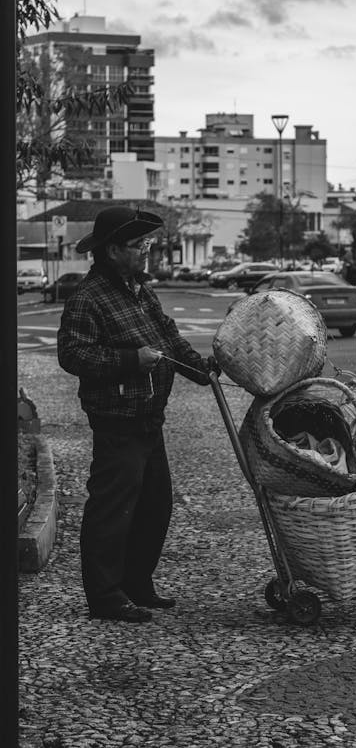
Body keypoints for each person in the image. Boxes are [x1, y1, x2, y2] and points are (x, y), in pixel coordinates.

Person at [58, 205, 218, 623]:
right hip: (117, 421)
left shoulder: (140, 289)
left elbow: (170, 337)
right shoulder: (88, 297)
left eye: (148, 243)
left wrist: (205, 372)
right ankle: (106, 596)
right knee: (112, 511)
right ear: (112, 250)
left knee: (154, 506)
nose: (146, 251)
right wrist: (131, 360)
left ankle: (136, 583)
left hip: (150, 418)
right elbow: (72, 354)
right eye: (138, 245)